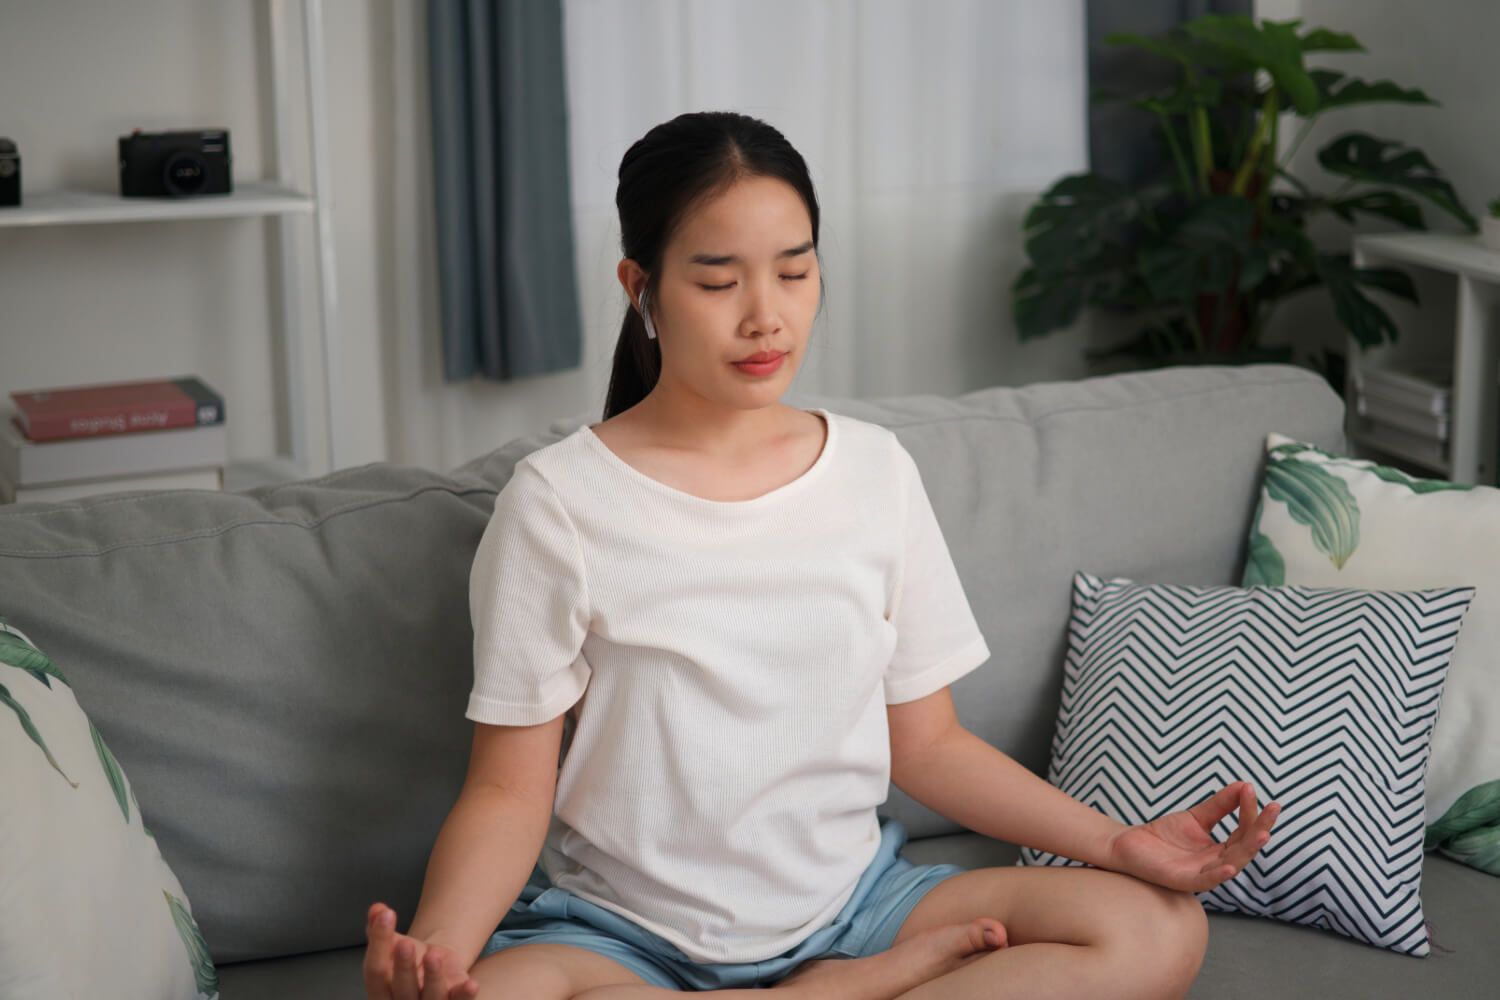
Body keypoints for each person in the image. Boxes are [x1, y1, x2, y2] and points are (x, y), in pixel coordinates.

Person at [362, 111, 1280, 1000]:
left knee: (1159, 928)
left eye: (794, 273)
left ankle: (846, 981)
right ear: (639, 287)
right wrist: (435, 957)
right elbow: (506, 794)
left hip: (858, 912)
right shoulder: (558, 503)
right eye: (719, 283)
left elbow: (931, 747)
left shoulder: (875, 472)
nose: (767, 316)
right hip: (623, 938)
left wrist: (1118, 845)